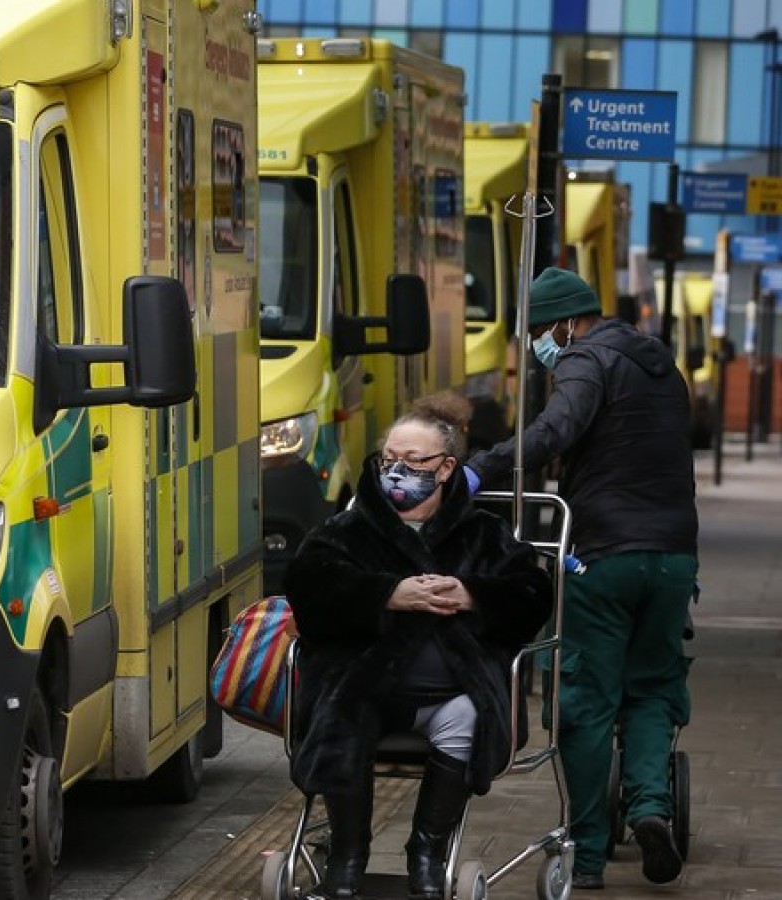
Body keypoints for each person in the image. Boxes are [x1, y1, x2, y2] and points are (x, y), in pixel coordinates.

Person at [463, 266, 698, 890]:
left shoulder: (585, 361)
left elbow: (554, 431)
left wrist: (479, 469)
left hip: (604, 554)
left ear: (568, 321)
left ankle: (588, 854)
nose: (540, 343)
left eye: (542, 329)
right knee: (652, 687)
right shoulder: (661, 365)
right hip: (675, 555)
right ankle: (649, 807)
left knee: (587, 702)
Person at [285, 392, 554, 900]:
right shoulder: (346, 530)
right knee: (344, 714)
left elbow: (534, 594)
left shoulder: (483, 533)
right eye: (389, 460)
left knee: (467, 717)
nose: (397, 471)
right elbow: (309, 590)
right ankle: (347, 856)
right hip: (361, 687)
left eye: (413, 461)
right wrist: (388, 594)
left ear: (447, 468)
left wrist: (474, 595)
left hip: (450, 693)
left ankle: (427, 852)